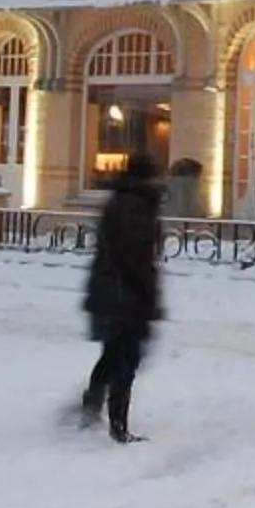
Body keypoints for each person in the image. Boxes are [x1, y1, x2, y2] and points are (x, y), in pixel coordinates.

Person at [77, 151, 166, 440]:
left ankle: (92, 408)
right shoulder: (136, 206)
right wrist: (147, 296)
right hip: (124, 294)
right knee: (125, 358)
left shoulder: (123, 200)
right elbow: (135, 256)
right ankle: (118, 425)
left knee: (113, 354)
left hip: (111, 290)